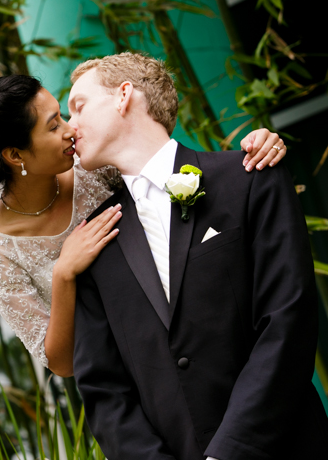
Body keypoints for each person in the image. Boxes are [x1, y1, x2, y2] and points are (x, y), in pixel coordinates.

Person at [69, 52, 328, 459]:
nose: (70, 127)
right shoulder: (92, 243)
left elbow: (287, 322)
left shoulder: (251, 179)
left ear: (123, 96)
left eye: (78, 107)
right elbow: (104, 389)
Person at [0, 74, 286, 378]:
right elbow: (62, 363)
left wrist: (251, 154)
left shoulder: (91, 164)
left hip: (202, 332)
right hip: (132, 379)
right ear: (16, 156)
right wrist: (64, 273)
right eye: (53, 126)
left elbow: (177, 177)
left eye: (64, 116)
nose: (70, 130)